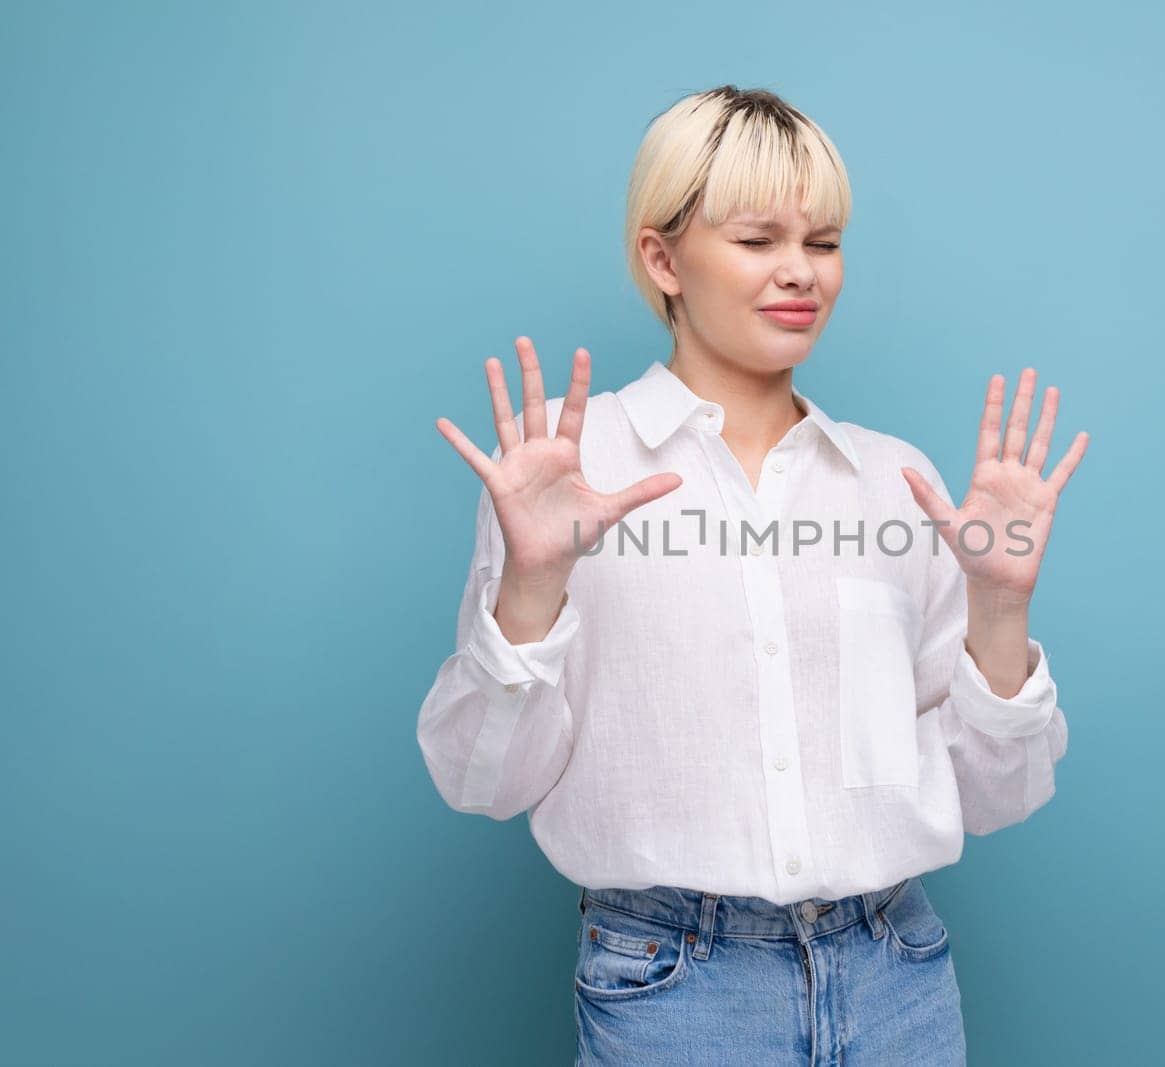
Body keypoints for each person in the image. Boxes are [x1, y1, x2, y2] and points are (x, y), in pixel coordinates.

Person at [417, 84, 1090, 1066]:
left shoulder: (895, 483)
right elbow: (482, 781)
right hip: (675, 993)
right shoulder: (567, 470)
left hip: (898, 976)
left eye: (821, 243)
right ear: (662, 258)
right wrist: (531, 589)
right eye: (757, 239)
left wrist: (999, 610)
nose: (799, 273)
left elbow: (997, 795)